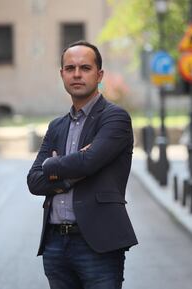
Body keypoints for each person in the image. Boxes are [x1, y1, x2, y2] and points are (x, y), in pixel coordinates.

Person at [27, 40, 138, 289]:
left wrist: (53, 163)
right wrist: (68, 173)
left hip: (97, 243)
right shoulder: (57, 126)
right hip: (55, 244)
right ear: (62, 74)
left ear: (99, 75)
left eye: (85, 68)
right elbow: (34, 180)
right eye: (70, 68)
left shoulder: (115, 118)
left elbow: (88, 162)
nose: (77, 74)